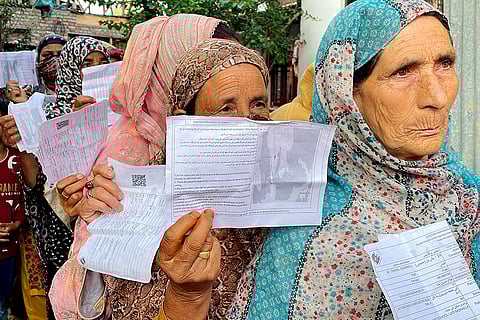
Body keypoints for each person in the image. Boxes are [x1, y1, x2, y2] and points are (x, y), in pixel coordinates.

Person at [226, 0, 480, 319]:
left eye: (445, 63)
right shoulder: (313, 238)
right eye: (403, 71)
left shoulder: (466, 192)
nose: (438, 97)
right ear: (346, 93)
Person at [50, 14, 268, 320]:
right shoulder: (130, 160)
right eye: (226, 108)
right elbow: (102, 297)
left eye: (259, 104)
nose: (247, 122)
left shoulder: (276, 179)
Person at [0, 36, 110, 319]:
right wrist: (23, 139)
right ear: (71, 68)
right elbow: (36, 181)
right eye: (86, 64)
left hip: (109, 226)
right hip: (62, 231)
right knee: (70, 300)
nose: (93, 70)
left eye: (103, 63)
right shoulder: (46, 112)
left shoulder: (120, 113)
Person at [0, 125, 24, 320]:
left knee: (5, 304)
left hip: (11, 250)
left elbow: (28, 197)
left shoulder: (17, 159)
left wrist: (17, 222)